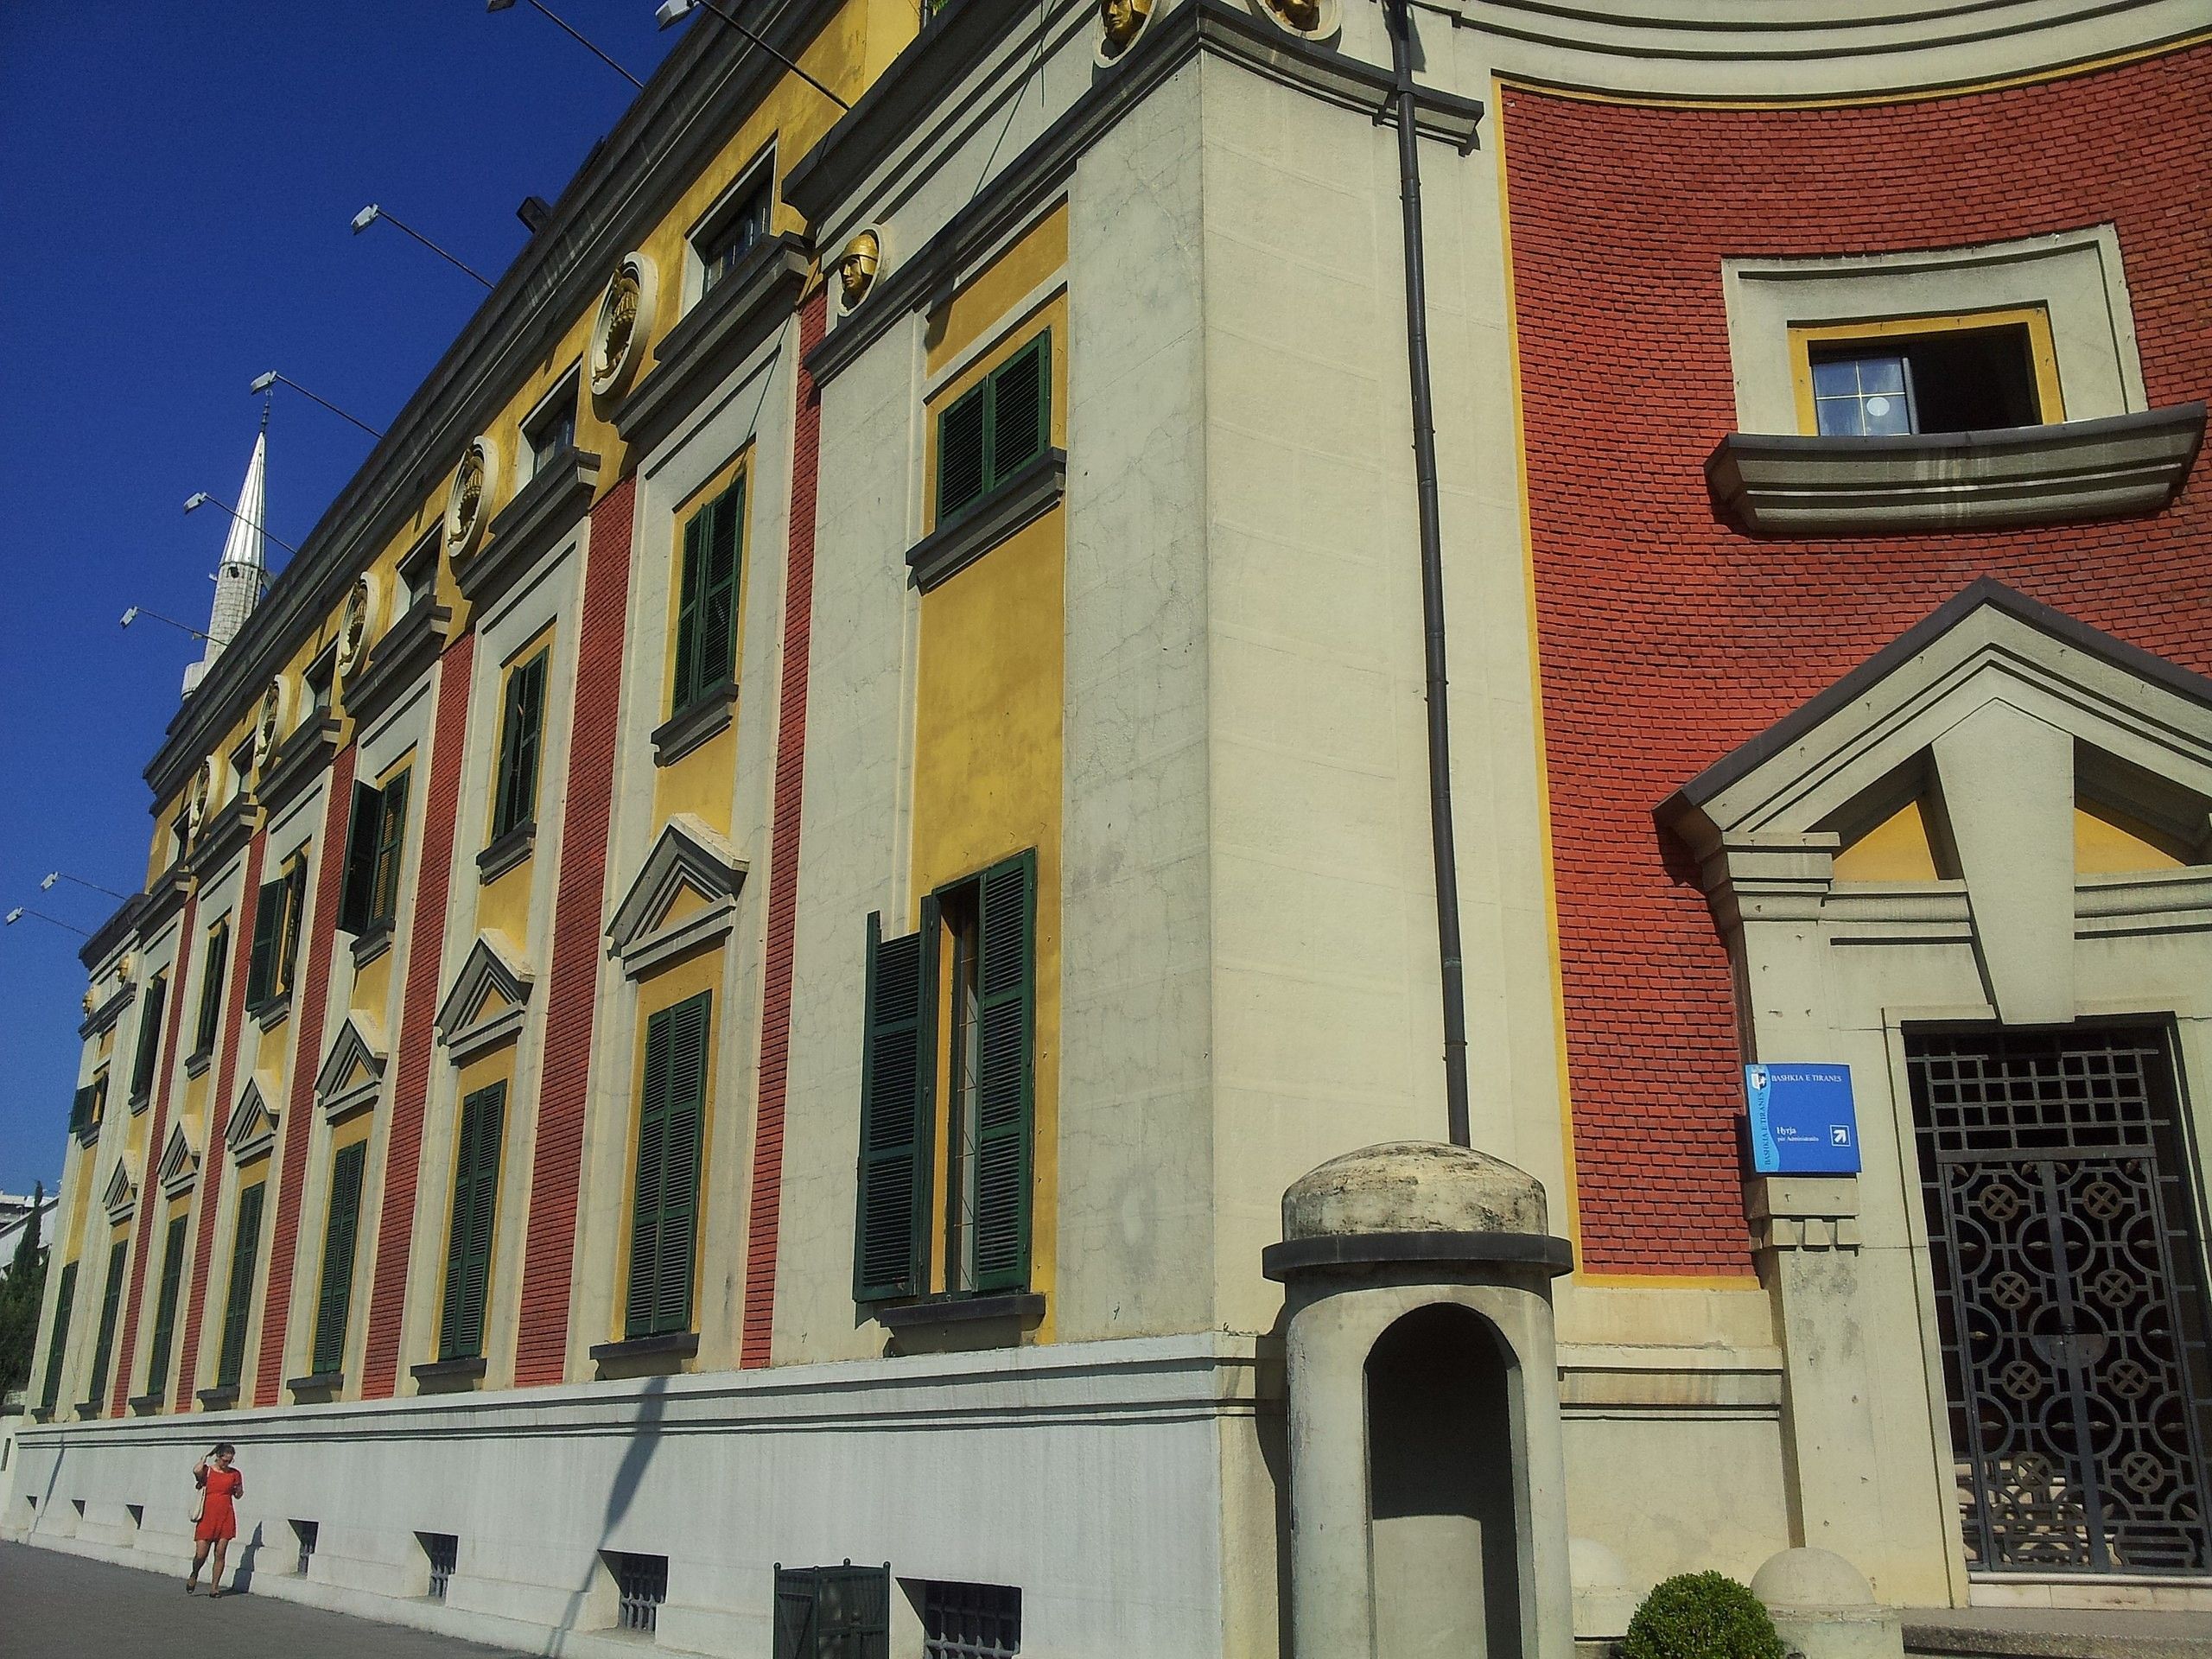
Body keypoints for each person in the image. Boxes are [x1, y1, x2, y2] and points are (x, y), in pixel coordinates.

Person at [186, 1442, 244, 1597]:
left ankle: (214, 1587)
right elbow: (196, 1470)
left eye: (230, 1461)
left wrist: (238, 1491)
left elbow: (238, 1494)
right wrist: (204, 1457)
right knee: (201, 1555)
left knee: (220, 1553)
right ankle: (194, 1573)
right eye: (225, 1460)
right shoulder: (208, 1471)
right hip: (208, 1515)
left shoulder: (235, 1474)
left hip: (225, 1515)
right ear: (218, 1457)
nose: (227, 1464)